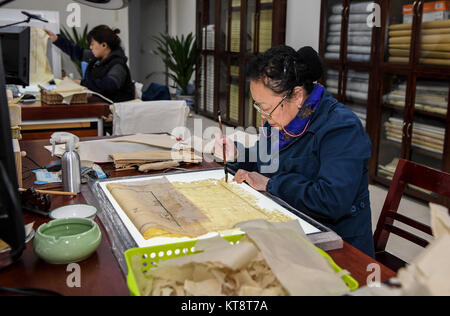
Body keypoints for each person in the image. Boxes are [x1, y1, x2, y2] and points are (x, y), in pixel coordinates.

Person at [215, 45, 375, 257]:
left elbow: (331, 200)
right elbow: (263, 158)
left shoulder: (341, 129)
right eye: (258, 107)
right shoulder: (282, 119)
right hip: (287, 226)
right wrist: (237, 154)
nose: (263, 116)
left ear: (298, 95)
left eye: (265, 107)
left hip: (337, 247)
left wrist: (271, 184)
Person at [45, 25, 135, 103]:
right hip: (98, 104)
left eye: (92, 44)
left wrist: (82, 83)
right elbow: (78, 52)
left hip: (113, 111)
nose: (90, 47)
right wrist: (56, 39)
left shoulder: (118, 65)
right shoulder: (98, 58)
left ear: (104, 45)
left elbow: (109, 85)